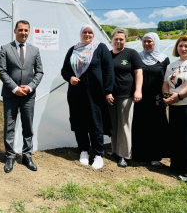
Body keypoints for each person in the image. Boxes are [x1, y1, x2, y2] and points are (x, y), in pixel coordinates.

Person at [61, 24, 114, 170]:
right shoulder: (73, 50)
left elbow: (109, 71)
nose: (87, 35)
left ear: (94, 34)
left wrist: (108, 91)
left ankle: (98, 154)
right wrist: (70, 77)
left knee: (96, 123)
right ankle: (84, 151)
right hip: (76, 94)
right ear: (81, 34)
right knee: (79, 122)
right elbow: (64, 70)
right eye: (85, 32)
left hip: (95, 95)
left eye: (90, 32)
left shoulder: (100, 48)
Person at [0, 20, 43, 173]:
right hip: (11, 95)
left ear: (29, 32)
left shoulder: (35, 50)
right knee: (10, 126)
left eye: (26, 30)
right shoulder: (5, 48)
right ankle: (10, 156)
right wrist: (15, 88)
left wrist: (30, 87)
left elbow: (39, 72)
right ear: (15, 31)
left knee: (27, 126)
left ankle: (27, 155)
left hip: (28, 96)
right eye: (21, 30)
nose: (24, 33)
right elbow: (2, 71)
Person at [162, 35, 187, 183]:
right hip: (174, 106)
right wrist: (166, 96)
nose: (183, 48)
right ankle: (179, 169)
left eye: (186, 46)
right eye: (180, 46)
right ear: (176, 48)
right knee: (177, 138)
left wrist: (180, 96)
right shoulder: (172, 65)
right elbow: (166, 83)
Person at [132, 33, 170, 165]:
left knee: (155, 127)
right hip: (140, 98)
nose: (146, 44)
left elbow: (167, 80)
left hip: (156, 99)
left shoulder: (164, 59)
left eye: (150, 41)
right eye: (144, 41)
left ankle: (155, 155)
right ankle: (140, 154)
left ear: (156, 43)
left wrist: (165, 98)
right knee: (140, 125)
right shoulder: (137, 57)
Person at [108, 28, 143, 168]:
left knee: (124, 124)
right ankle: (115, 150)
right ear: (112, 40)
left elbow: (138, 73)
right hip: (110, 95)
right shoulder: (108, 54)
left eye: (121, 39)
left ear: (125, 40)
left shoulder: (131, 53)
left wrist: (138, 90)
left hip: (126, 94)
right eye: (116, 39)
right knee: (113, 124)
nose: (118, 41)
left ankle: (124, 155)